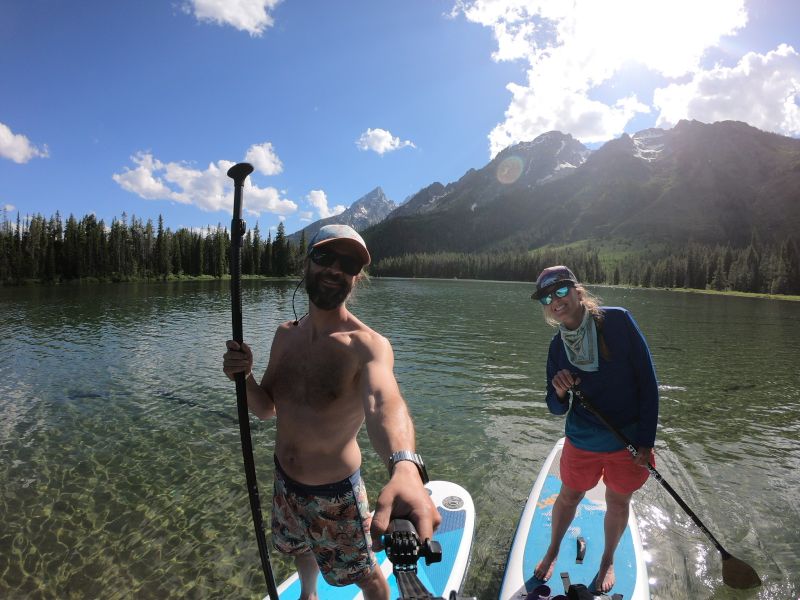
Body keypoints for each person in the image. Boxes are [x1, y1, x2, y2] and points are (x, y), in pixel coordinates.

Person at [223, 224, 440, 600]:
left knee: (365, 574)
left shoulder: (368, 346)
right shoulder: (285, 335)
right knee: (300, 548)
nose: (335, 269)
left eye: (350, 263)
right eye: (325, 257)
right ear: (306, 263)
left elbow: (383, 401)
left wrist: (404, 465)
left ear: (357, 277)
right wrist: (244, 378)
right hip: (285, 483)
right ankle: (309, 595)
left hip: (335, 495)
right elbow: (266, 410)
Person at [530, 266, 659, 594]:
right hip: (582, 439)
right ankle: (553, 550)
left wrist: (645, 441)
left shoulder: (618, 322)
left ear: (577, 291)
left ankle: (607, 561)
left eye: (560, 291)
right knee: (569, 495)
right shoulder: (557, 348)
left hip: (626, 441)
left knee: (618, 502)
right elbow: (555, 407)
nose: (555, 301)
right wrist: (559, 392)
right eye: (547, 297)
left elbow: (647, 382)